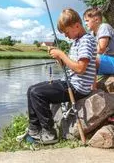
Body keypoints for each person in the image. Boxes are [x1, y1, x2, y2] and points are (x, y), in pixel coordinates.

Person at [22, 8, 97, 145]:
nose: (66, 36)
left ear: (76, 26)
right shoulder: (76, 41)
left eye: (67, 32)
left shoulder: (86, 40)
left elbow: (80, 68)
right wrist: (59, 58)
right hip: (69, 82)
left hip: (77, 88)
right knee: (31, 89)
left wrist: (62, 54)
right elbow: (70, 65)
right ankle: (34, 129)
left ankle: (49, 133)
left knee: (37, 93)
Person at [83, 8, 114, 76]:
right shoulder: (92, 34)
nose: (85, 24)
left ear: (96, 20)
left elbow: (101, 49)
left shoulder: (104, 27)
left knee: (89, 59)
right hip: (109, 61)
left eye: (87, 20)